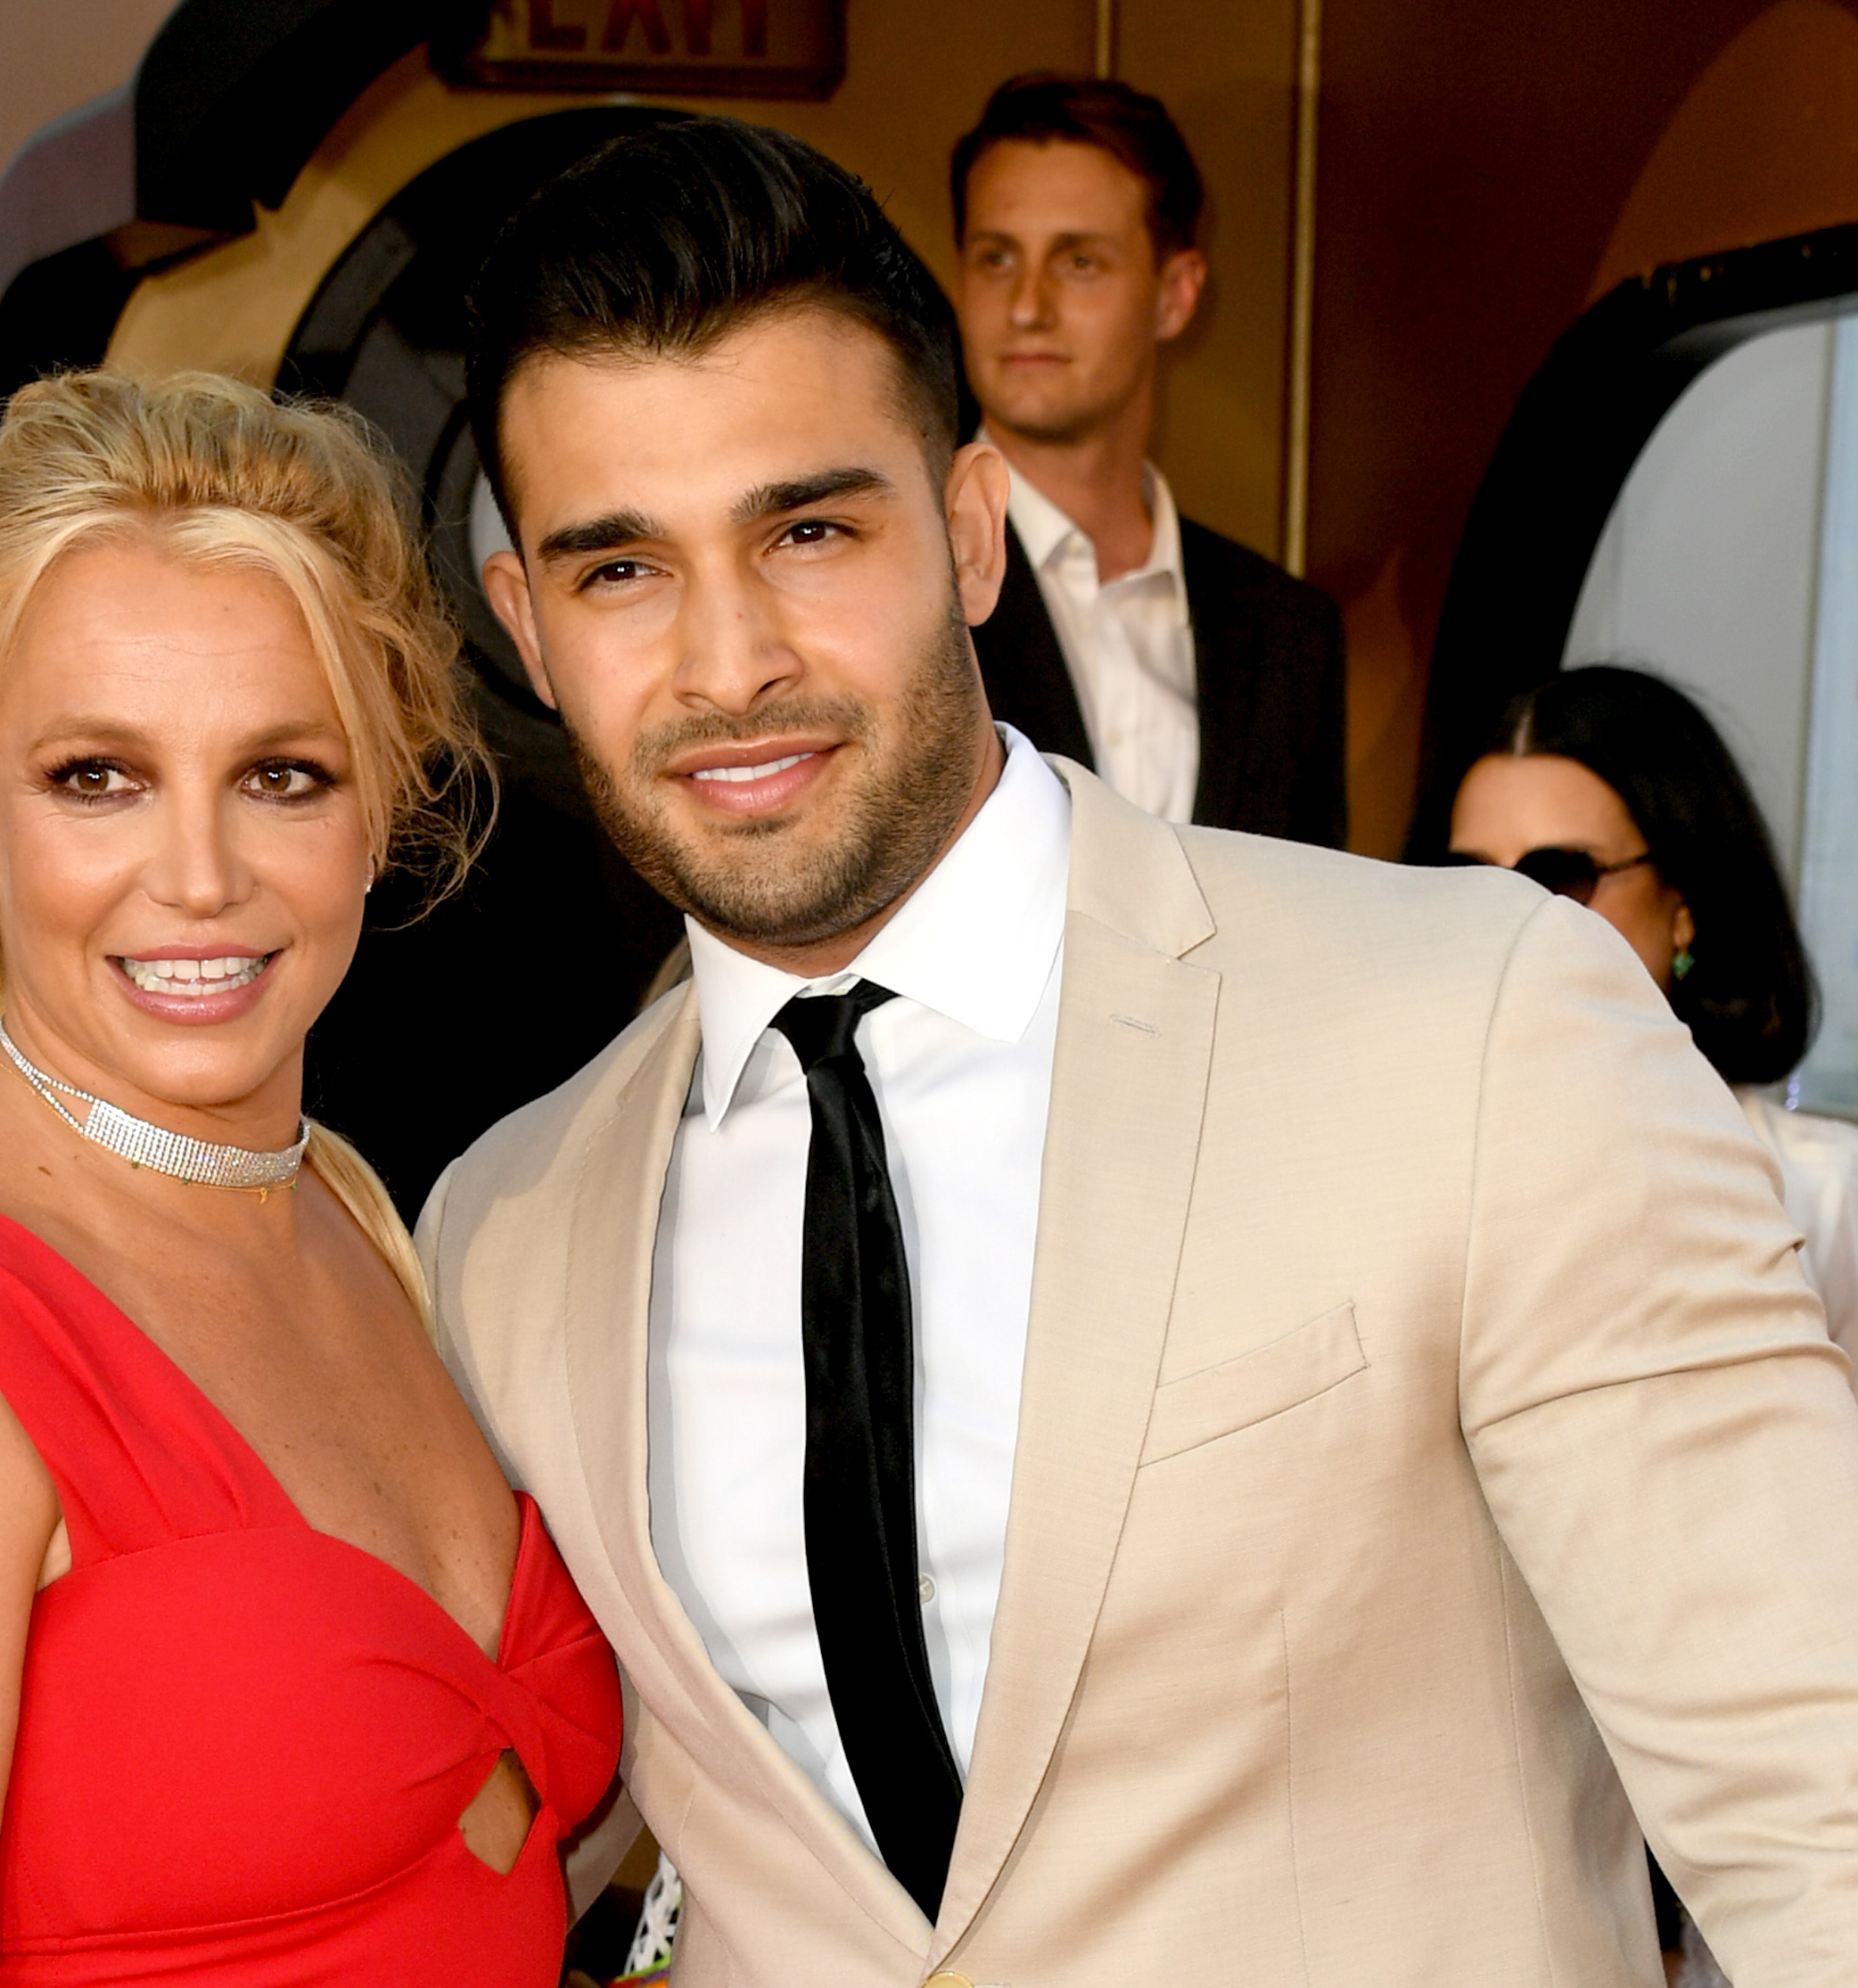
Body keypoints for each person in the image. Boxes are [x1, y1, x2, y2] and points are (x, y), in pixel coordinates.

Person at [431, 115, 1858, 1985]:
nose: (728, 659)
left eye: (807, 529)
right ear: (529, 624)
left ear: (964, 533)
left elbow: (1811, 1801)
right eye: (622, 570)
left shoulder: (1480, 1025)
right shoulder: (506, 1226)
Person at [0, 371, 623, 1986]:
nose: (198, 878)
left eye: (281, 775)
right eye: (97, 777)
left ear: (382, 796)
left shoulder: (369, 1230)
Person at [950, 73, 1347, 846]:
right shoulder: (898, 581)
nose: (1027, 306)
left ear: (1176, 294)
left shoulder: (1288, 634)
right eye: (996, 259)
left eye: (1079, 263)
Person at [1449, 665, 1857, 1363]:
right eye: (1470, 879)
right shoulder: (1410, 1171)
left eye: (1561, 877)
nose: (1506, 914)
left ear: (1685, 904)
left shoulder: (1832, 1197)